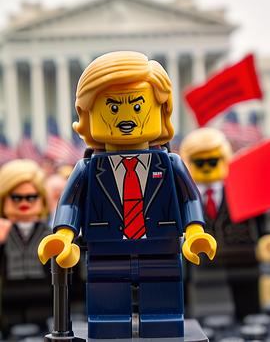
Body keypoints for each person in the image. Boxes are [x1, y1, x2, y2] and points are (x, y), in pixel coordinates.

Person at [38, 51, 216, 339]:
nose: (125, 118)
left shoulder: (170, 164)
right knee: (108, 319)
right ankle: (109, 324)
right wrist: (63, 236)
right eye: (111, 108)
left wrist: (195, 232)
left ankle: (162, 322)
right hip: (106, 249)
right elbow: (69, 203)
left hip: (161, 248)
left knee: (165, 317)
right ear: (87, 114)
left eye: (137, 107)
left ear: (162, 110)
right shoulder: (87, 167)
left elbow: (190, 199)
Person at [180, 127, 264, 320]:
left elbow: (260, 218)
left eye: (212, 161)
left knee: (248, 311)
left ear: (225, 158)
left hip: (243, 260)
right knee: (201, 313)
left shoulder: (243, 189)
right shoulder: (185, 196)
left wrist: (264, 238)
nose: (207, 167)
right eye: (199, 162)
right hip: (201, 267)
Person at [0, 159, 51, 338]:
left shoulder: (50, 233)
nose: (24, 203)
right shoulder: (2, 232)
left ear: (42, 198)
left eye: (31, 197)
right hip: (8, 310)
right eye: (16, 197)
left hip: (44, 308)